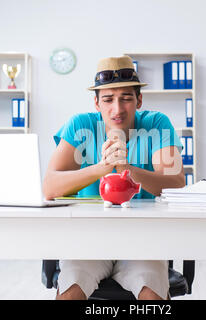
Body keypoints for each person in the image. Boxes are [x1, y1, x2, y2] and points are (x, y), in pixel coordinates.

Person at [43, 55, 185, 300]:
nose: (117, 109)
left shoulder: (157, 124)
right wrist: (102, 167)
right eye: (108, 99)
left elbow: (176, 184)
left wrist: (125, 168)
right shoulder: (80, 125)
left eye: (126, 98)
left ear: (139, 100)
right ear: (96, 103)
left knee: (152, 294)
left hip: (143, 241)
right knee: (70, 292)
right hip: (90, 240)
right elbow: (50, 187)